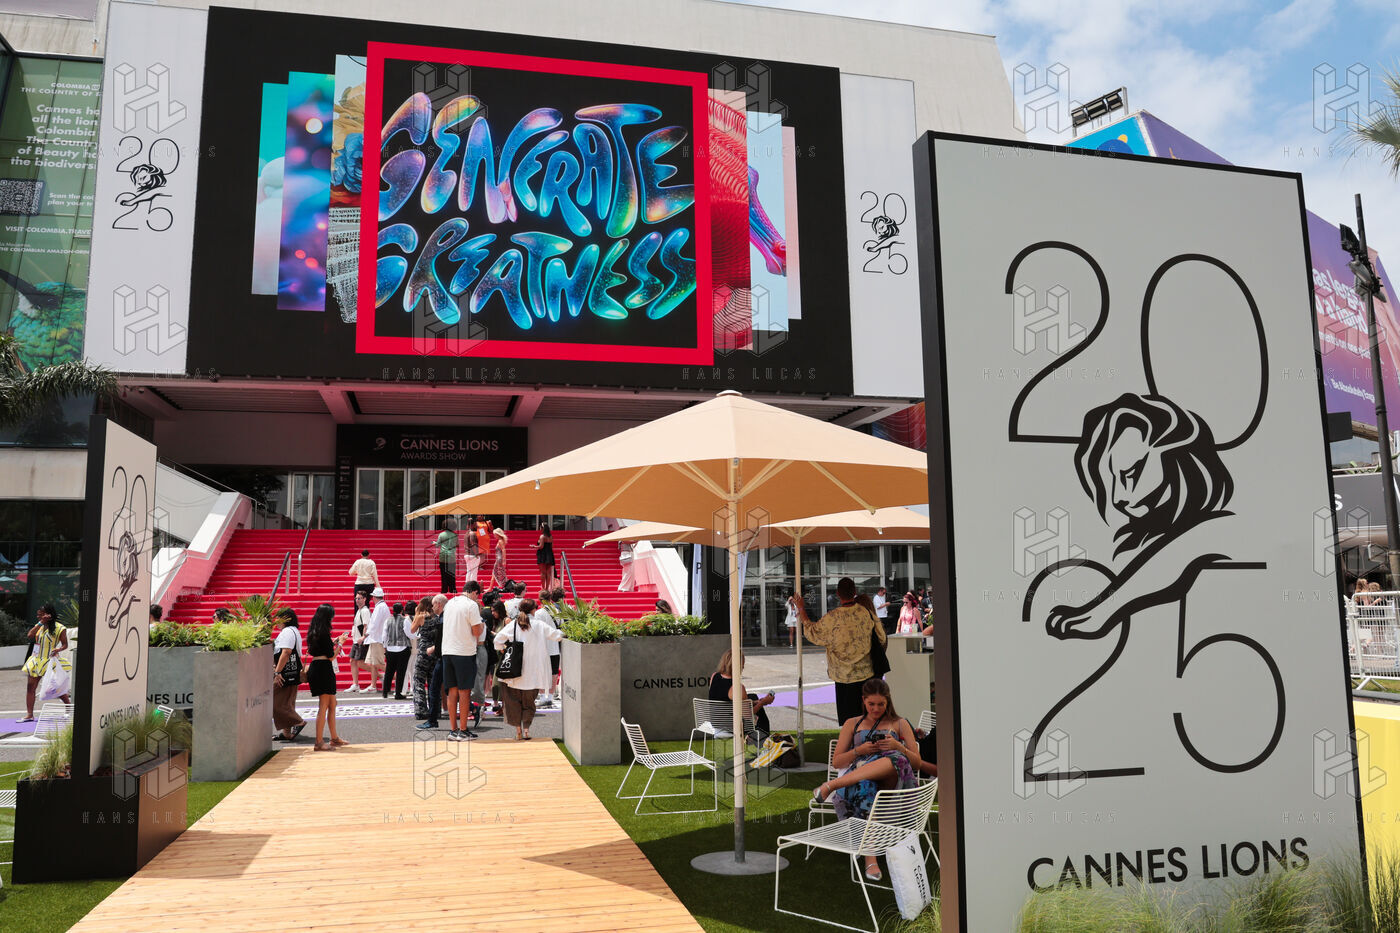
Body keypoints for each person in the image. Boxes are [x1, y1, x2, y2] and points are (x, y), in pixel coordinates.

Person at [813, 678, 920, 881]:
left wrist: (898, 746)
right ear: (863, 700)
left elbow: (917, 763)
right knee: (867, 782)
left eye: (881, 704)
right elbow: (837, 762)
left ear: (888, 701)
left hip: (893, 783)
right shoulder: (852, 723)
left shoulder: (900, 723)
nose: (876, 709)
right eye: (871, 704)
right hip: (860, 780)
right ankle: (871, 858)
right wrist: (859, 750)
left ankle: (831, 786)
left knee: (897, 758)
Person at [797, 577, 887, 726]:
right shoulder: (866, 613)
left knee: (849, 724)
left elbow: (812, 632)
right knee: (867, 721)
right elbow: (882, 638)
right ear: (855, 592)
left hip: (843, 678)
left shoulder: (832, 617)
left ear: (838, 594)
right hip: (866, 675)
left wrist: (801, 609)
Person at [495, 598, 566, 739]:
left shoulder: (514, 624)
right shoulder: (539, 625)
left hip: (514, 672)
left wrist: (503, 649)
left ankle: (518, 731)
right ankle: (526, 729)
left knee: (513, 702)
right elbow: (557, 636)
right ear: (533, 610)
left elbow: (497, 640)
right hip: (534, 673)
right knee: (529, 703)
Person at [441, 581, 486, 740]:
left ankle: (453, 730)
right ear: (474, 592)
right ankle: (463, 729)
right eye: (477, 595)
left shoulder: (450, 602)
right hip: (464, 652)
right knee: (464, 691)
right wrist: (482, 625)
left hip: (447, 650)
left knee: (452, 692)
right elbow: (476, 632)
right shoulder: (471, 605)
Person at [306, 603, 350, 751]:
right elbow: (331, 656)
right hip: (323, 669)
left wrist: (334, 642)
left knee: (332, 704)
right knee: (324, 705)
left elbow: (321, 649)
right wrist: (340, 644)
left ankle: (334, 738)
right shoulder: (323, 632)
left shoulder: (314, 631)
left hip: (318, 667)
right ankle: (319, 742)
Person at [709, 648, 775, 738]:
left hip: (716, 722)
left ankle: (762, 737)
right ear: (737, 666)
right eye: (742, 666)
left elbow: (723, 700)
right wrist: (762, 703)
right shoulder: (737, 688)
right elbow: (748, 716)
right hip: (731, 725)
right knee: (760, 716)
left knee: (752, 697)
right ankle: (763, 739)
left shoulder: (714, 676)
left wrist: (755, 702)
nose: (743, 668)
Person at [20, 603, 70, 722]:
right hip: (36, 660)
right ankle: (29, 715)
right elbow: (30, 635)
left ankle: (69, 709)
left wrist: (58, 649)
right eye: (38, 615)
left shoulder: (60, 628)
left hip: (50, 660)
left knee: (55, 688)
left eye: (41, 615)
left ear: (49, 615)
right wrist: (40, 622)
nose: (38, 617)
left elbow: (65, 645)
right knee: (30, 687)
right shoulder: (40, 625)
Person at [272, 609, 306, 741]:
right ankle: (287, 733)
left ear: (285, 619)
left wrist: (277, 672)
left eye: (278, 618)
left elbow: (286, 652)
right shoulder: (294, 631)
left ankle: (298, 722)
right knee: (287, 702)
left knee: (276, 702)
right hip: (292, 671)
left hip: (285, 672)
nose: (276, 621)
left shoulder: (287, 632)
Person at [413, 595, 446, 729]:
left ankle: (421, 710)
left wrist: (417, 613)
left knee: (419, 681)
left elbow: (412, 629)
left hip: (423, 651)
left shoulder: (421, 617)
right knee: (434, 683)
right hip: (435, 651)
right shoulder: (437, 618)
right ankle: (436, 711)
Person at [381, 601, 412, 699]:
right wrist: (417, 636)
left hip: (390, 648)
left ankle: (385, 691)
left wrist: (385, 646)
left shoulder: (388, 620)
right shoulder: (404, 620)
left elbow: (384, 635)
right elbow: (409, 633)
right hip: (402, 648)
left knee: (389, 671)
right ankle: (398, 692)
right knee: (400, 672)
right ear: (402, 610)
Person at [365, 586, 390, 691]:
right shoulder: (383, 606)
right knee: (374, 663)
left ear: (374, 597)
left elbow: (374, 624)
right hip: (377, 638)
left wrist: (366, 634)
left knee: (378, 663)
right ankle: (373, 685)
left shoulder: (380, 607)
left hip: (377, 639)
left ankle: (399, 680)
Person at [347, 590, 372, 692]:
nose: (357, 600)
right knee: (352, 661)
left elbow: (366, 626)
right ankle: (355, 684)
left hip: (361, 640)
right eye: (356, 598)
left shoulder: (365, 611)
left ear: (365, 599)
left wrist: (363, 637)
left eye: (359, 598)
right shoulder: (359, 610)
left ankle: (379, 675)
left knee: (361, 663)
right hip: (356, 640)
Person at [436, 519, 459, 594]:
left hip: (443, 556)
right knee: (451, 574)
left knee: (444, 574)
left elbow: (437, 545)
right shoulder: (455, 535)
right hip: (451, 556)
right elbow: (457, 545)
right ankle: (453, 589)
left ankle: (444, 589)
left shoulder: (441, 534)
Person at [533, 524, 555, 591]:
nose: (539, 529)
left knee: (543, 572)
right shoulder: (550, 536)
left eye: (540, 528)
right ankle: (547, 588)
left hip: (543, 554)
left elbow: (541, 546)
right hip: (549, 554)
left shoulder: (542, 536)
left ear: (543, 528)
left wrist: (534, 546)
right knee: (548, 573)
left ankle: (543, 588)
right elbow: (552, 546)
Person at [462, 515, 483, 586]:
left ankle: (467, 586)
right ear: (473, 524)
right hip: (472, 555)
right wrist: (477, 554)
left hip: (467, 554)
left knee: (469, 571)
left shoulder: (466, 533)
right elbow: (473, 543)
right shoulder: (472, 533)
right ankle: (472, 587)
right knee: (474, 572)